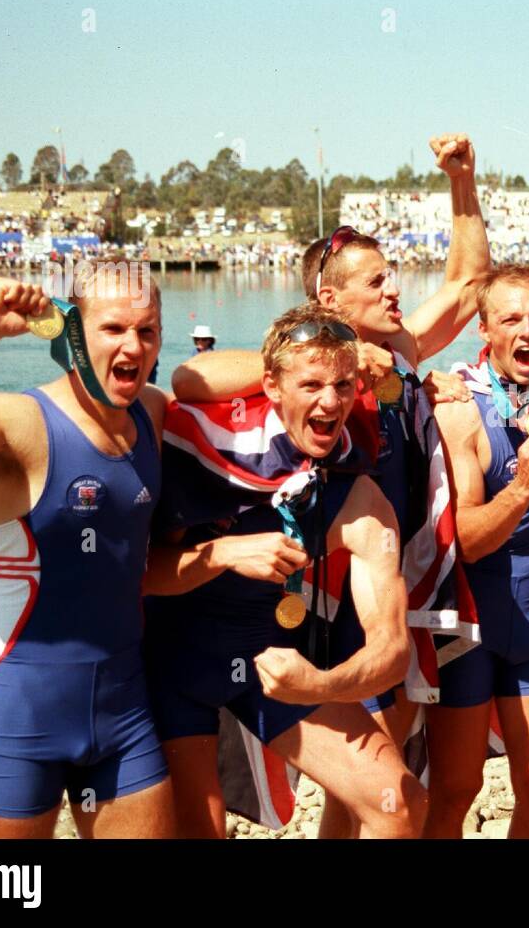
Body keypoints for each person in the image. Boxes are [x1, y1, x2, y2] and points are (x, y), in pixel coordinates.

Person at [0, 266, 175, 838]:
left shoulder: (152, 410)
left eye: (147, 331)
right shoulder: (18, 422)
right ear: (72, 333)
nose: (132, 345)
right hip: (18, 717)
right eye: (113, 327)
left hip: (125, 715)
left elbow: (244, 384)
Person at [143, 305, 424, 838]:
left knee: (400, 803)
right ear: (270, 386)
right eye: (312, 384)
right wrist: (223, 554)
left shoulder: (358, 498)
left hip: (264, 666)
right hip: (170, 664)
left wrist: (323, 682)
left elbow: (392, 650)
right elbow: (136, 576)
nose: (330, 401)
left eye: (343, 385)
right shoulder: (204, 449)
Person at [425, 265, 529, 838]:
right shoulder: (461, 407)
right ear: (484, 329)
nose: (527, 331)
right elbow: (463, 540)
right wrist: (521, 490)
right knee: (455, 793)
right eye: (511, 319)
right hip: (470, 621)